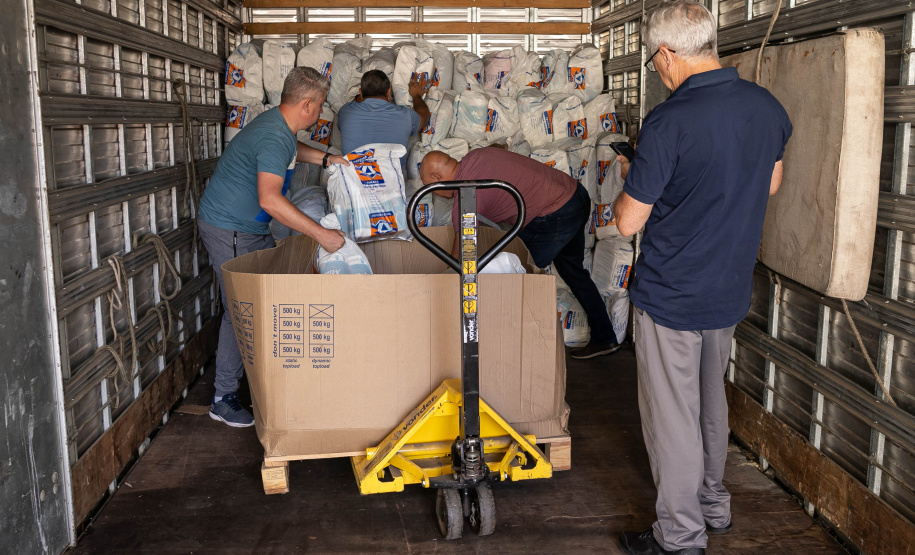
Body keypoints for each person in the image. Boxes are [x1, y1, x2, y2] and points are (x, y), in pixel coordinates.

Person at [612, 2, 792, 554]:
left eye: (652, 61)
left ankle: (680, 537)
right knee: (711, 404)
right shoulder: (767, 108)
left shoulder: (670, 121)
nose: (656, 70)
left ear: (666, 54)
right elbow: (769, 185)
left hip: (671, 294)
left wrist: (637, 178)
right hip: (729, 287)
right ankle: (714, 507)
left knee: (673, 419)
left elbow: (627, 220)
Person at [198, 67, 349, 428]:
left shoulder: (277, 125)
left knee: (265, 299)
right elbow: (269, 199)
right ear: (308, 105)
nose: (322, 113)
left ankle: (258, 375)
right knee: (241, 308)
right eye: (321, 106)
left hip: (245, 227)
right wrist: (322, 236)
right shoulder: (274, 138)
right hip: (231, 229)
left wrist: (327, 159)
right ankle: (223, 397)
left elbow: (289, 150)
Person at [420, 147, 621, 359]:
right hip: (574, 195)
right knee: (574, 273)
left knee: (515, 277)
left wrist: (441, 292)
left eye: (431, 188)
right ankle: (604, 337)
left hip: (554, 212)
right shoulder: (475, 156)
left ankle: (519, 351)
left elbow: (461, 254)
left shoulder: (467, 194)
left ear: (436, 178)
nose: (436, 194)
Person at [337, 70, 431, 167]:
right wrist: (416, 95)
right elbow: (424, 116)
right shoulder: (406, 115)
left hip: (353, 180)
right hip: (391, 181)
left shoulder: (346, 112)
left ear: (360, 92)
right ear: (389, 92)